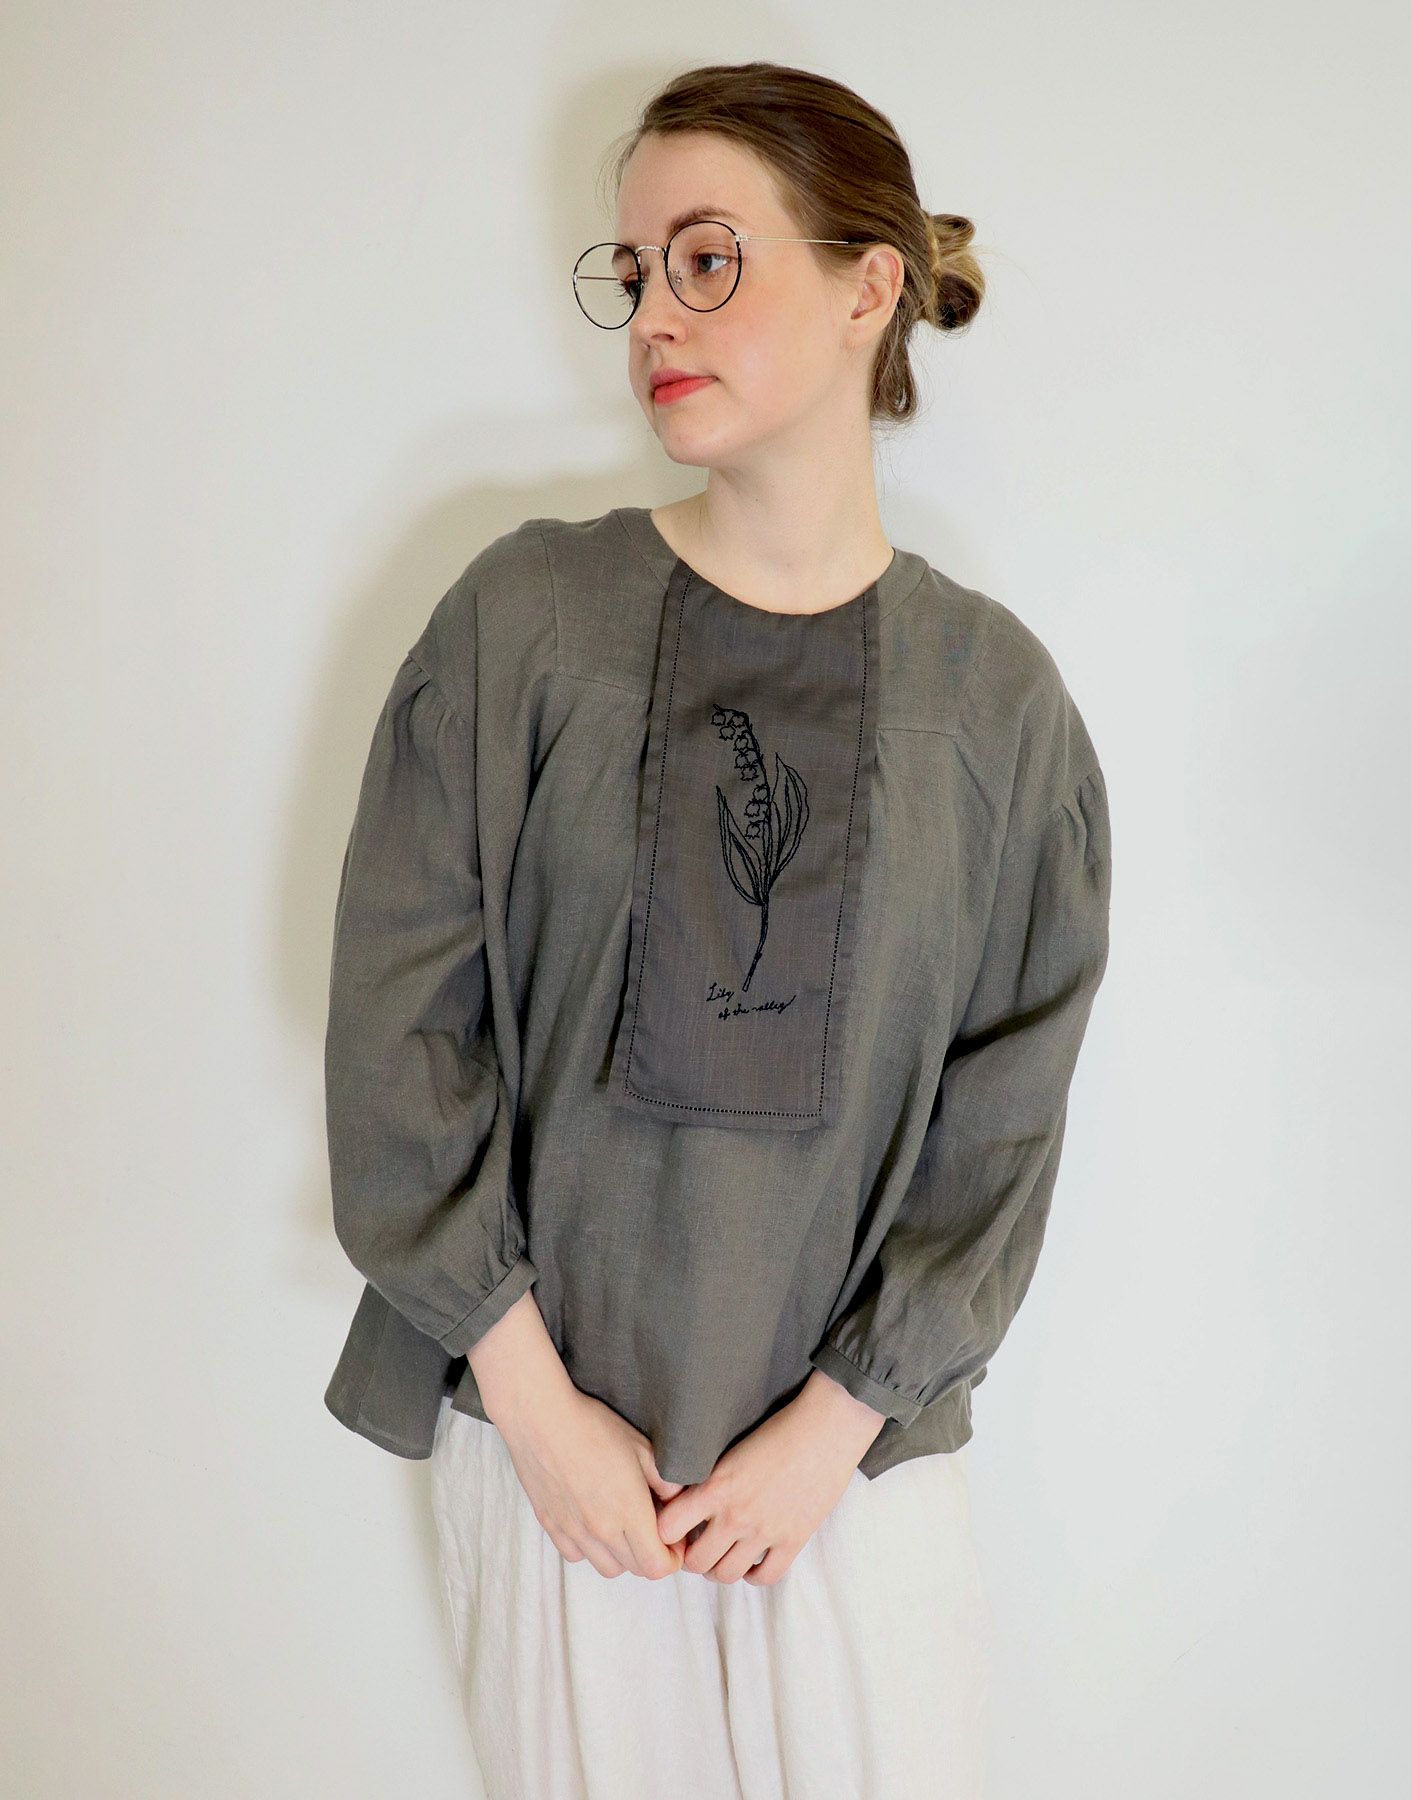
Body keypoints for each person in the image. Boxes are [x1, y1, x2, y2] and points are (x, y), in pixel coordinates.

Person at [322, 60, 1113, 1800]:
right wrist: (539, 1411)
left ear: (867, 285)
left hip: (853, 1483)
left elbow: (1005, 1117)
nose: (654, 318)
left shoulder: (1001, 707)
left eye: (706, 258)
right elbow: (398, 1033)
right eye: (633, 273)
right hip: (560, 1468)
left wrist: (835, 1426)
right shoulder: (523, 625)